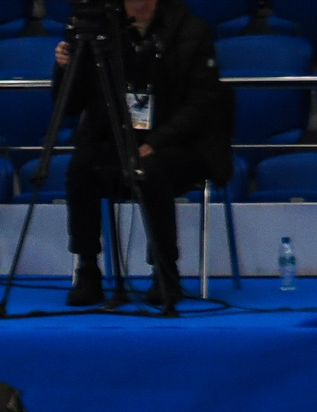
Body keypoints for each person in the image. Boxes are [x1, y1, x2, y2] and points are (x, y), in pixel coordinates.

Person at [54, 0, 222, 310]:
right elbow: (71, 104)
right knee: (81, 167)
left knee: (150, 169)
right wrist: (66, 67)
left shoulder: (190, 30)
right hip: (115, 139)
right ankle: (87, 267)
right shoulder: (102, 31)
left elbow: (203, 103)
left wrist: (155, 141)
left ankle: (164, 269)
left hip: (176, 144)